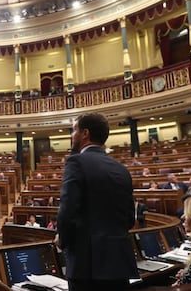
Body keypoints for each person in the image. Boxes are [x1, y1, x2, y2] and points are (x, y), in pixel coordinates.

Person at [57, 113, 138, 291]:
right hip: (119, 263)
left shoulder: (76, 162)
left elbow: (67, 211)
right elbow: (129, 219)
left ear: (85, 133)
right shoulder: (121, 169)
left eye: (74, 130)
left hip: (87, 265)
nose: (72, 136)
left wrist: (62, 241)